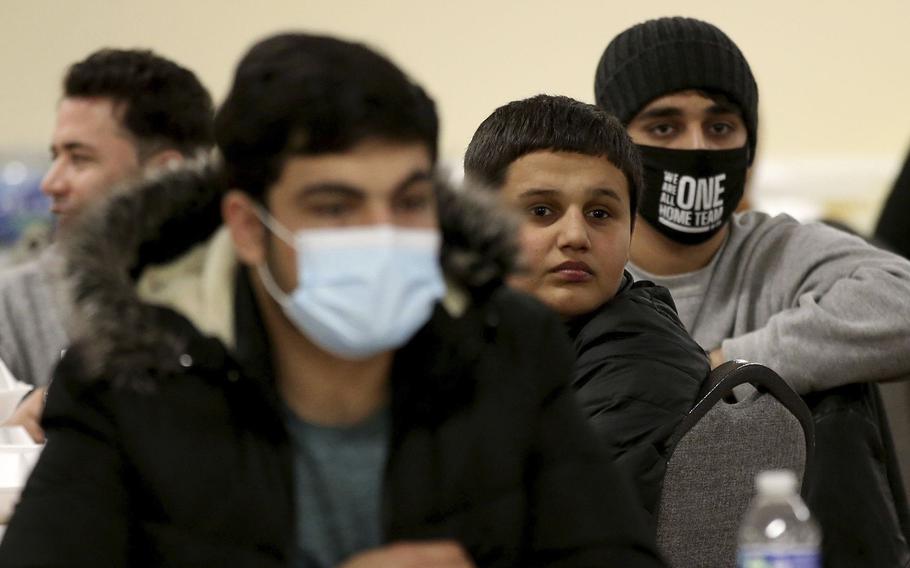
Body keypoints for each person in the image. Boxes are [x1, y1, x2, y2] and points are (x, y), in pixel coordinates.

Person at [0, 33, 664, 567]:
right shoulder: (128, 376)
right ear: (248, 227)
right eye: (335, 206)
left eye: (407, 201)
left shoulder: (503, 348)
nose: (381, 236)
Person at [594, 16, 910, 565]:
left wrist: (729, 365)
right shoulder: (586, 263)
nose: (696, 148)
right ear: (618, 146)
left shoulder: (773, 249)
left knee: (834, 394)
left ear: (749, 145)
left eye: (720, 128)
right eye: (663, 127)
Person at [463, 94, 709, 521]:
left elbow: (561, 523)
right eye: (542, 211)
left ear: (631, 230)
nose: (575, 235)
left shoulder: (642, 358)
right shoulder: (473, 330)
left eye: (600, 213)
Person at [0, 48, 214, 440]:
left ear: (166, 172)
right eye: (55, 157)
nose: (50, 183)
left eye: (78, 159)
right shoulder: (11, 304)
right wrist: (16, 432)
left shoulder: (245, 296)